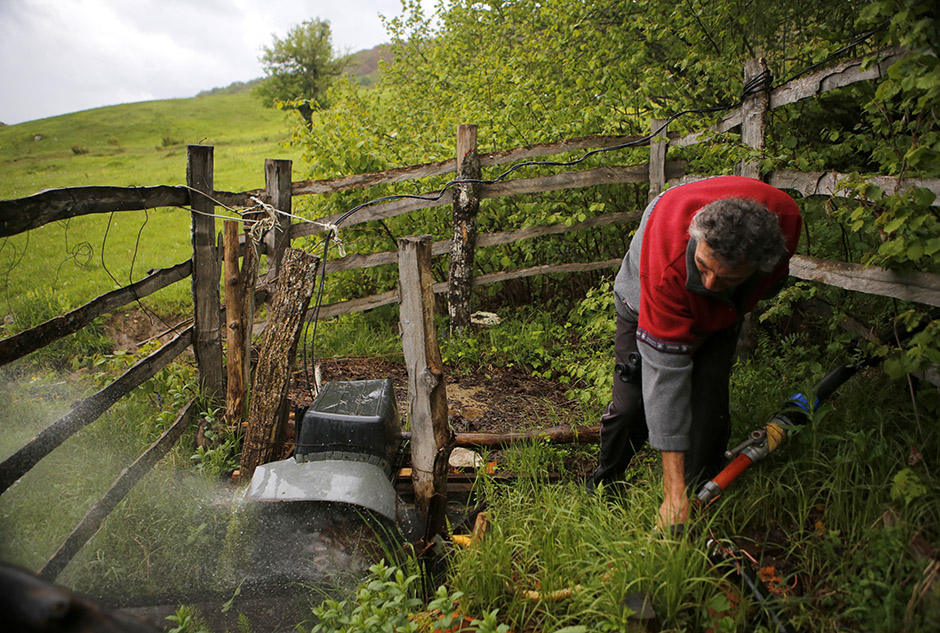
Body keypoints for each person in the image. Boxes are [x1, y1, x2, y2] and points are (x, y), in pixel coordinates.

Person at [589, 175, 802, 530]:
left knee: (708, 400)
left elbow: (769, 282)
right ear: (696, 238)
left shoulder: (786, 222)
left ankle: (701, 499)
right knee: (631, 406)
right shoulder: (668, 263)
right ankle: (606, 483)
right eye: (703, 268)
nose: (708, 285)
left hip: (722, 315)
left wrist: (727, 309)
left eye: (726, 277)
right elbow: (666, 376)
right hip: (640, 302)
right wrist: (670, 492)